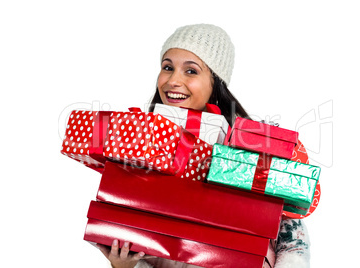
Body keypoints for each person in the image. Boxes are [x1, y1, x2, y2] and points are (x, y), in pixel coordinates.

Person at [96, 24, 311, 268]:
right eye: (168, 67)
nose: (173, 80)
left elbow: (293, 242)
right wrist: (124, 265)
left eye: (191, 71)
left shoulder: (253, 143)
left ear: (215, 83)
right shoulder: (138, 142)